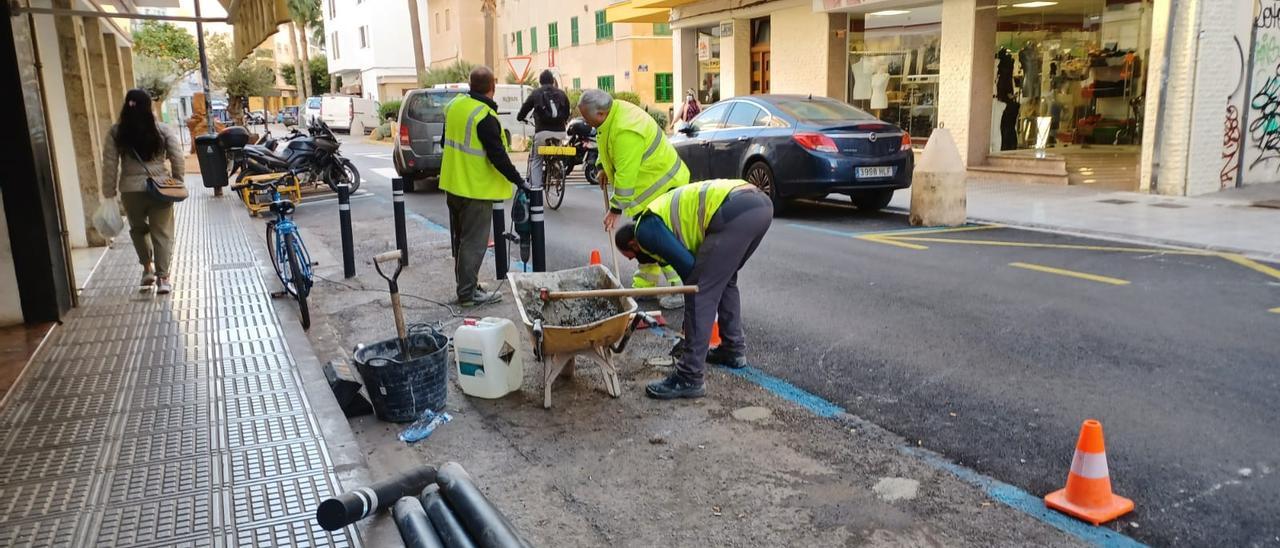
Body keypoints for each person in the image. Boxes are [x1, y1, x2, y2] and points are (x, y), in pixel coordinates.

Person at [615, 179, 773, 400]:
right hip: (759, 205)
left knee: (699, 291)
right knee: (725, 280)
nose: (636, 260)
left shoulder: (645, 230)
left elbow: (691, 275)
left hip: (734, 210)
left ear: (633, 243)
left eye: (632, 256)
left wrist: (689, 329)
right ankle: (733, 349)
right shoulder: (659, 219)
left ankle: (689, 376)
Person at [440, 66, 526, 306]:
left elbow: (444, 142)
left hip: (452, 185)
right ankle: (468, 294)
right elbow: (498, 156)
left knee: (461, 240)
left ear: (470, 85)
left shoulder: (455, 107)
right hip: (474, 190)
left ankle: (467, 284)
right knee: (473, 243)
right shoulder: (484, 117)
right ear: (493, 87)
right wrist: (519, 181)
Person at [101, 89, 185, 295]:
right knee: (162, 233)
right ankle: (163, 279)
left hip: (131, 191)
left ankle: (147, 269)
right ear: (149, 107)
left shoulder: (116, 132)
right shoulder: (162, 130)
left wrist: (108, 191)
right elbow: (177, 157)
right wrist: (177, 181)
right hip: (160, 188)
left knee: (138, 229)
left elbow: (110, 164)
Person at [576, 89, 689, 233]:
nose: (585, 122)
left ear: (600, 114)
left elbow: (626, 173)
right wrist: (601, 167)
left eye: (586, 117)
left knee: (656, 244)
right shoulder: (614, 112)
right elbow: (606, 143)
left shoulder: (625, 131)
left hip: (664, 190)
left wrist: (615, 209)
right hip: (657, 190)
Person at [517, 70, 571, 188]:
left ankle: (536, 189)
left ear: (540, 82)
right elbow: (567, 112)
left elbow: (525, 108)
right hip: (561, 132)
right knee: (557, 150)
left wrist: (520, 117)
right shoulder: (562, 94)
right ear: (552, 81)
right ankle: (556, 165)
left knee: (536, 159)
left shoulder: (536, 93)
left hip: (542, 132)